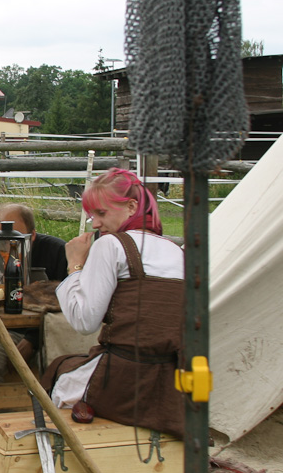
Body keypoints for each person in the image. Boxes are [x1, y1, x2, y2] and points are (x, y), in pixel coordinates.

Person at [43, 168, 185, 436]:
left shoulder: (110, 245)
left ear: (131, 207)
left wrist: (74, 265)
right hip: (167, 387)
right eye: (92, 215)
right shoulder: (177, 251)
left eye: (101, 213)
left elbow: (84, 321)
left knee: (56, 375)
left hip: (121, 380)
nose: (95, 224)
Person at [0, 203, 68, 384]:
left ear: (33, 235)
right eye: (1, 237)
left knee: (64, 360)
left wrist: (32, 340)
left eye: (16, 237)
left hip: (49, 331)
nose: (8, 244)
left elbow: (68, 305)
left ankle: (50, 401)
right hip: (3, 330)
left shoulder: (57, 252)